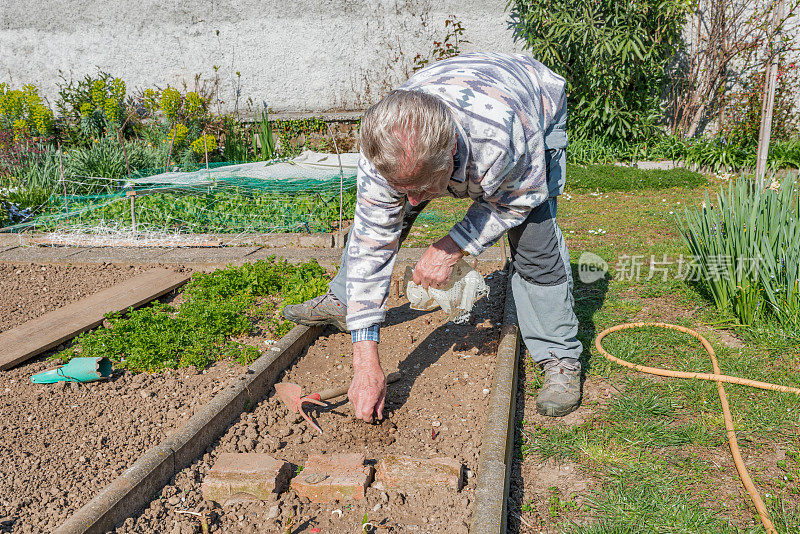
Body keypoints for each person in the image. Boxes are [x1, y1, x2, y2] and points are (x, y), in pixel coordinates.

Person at [283, 52, 583, 421]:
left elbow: (519, 199)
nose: (412, 200)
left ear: (452, 154)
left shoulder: (502, 136)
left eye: (423, 187)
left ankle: (559, 356)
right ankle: (348, 303)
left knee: (534, 242)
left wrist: (451, 247)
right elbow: (371, 243)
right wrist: (365, 363)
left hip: (532, 101)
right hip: (456, 98)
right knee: (380, 225)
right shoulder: (382, 146)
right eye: (401, 187)